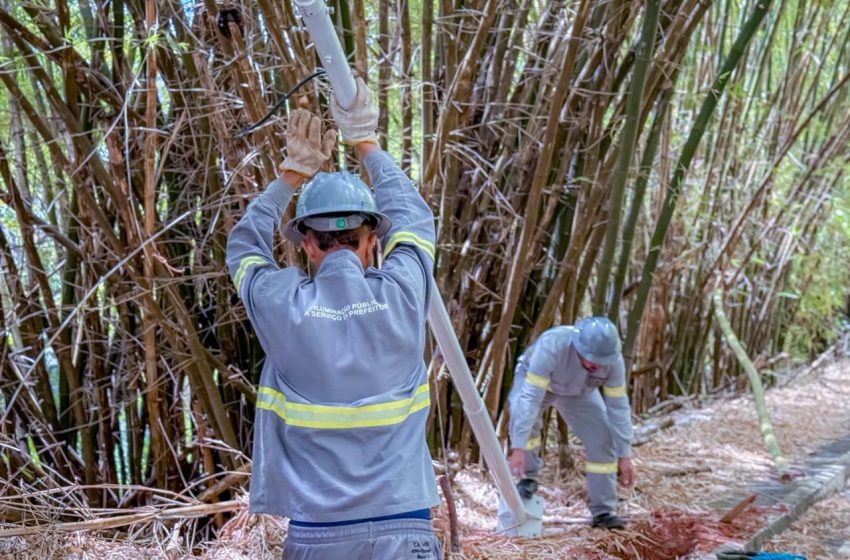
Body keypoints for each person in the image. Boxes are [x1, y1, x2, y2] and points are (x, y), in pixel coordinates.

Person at [226, 78, 441, 559]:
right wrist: (366, 143)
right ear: (372, 243)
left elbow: (243, 247)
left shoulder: (281, 305)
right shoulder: (404, 293)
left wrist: (290, 175)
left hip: (318, 532)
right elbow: (413, 218)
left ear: (306, 244)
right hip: (405, 526)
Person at [503, 317, 635, 530]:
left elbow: (618, 407)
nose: (597, 365)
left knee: (602, 439)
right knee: (522, 415)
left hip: (578, 392)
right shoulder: (552, 345)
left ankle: (603, 511)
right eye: (592, 358)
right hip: (540, 384)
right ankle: (527, 478)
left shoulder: (613, 361)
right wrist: (518, 448)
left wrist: (625, 455)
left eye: (602, 361)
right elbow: (530, 397)